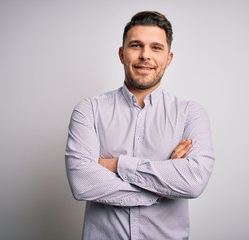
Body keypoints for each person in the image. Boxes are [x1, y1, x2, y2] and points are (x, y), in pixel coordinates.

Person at [65, 11, 215, 240]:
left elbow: (193, 182)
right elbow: (82, 182)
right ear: (122, 54)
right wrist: (162, 188)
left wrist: (117, 164)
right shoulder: (89, 110)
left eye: (156, 48)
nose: (145, 55)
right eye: (136, 45)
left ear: (169, 58)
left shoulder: (190, 114)